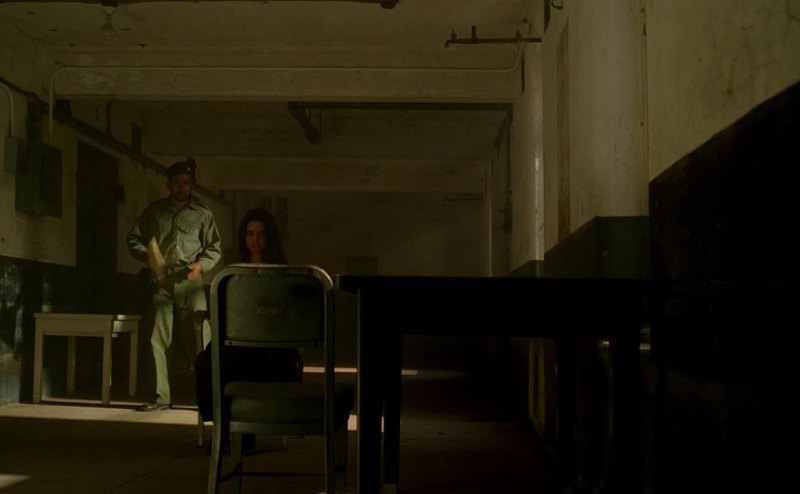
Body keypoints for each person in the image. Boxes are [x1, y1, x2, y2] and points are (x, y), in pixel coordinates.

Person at [195, 208, 302, 450]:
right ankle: (223, 427)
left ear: (270, 237)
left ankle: (243, 433)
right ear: (243, 237)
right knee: (207, 363)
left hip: (271, 345)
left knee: (238, 364)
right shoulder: (233, 271)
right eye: (250, 234)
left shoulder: (282, 270)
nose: (255, 240)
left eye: (261, 234)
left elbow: (287, 313)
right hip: (237, 339)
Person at [127, 158, 222, 412]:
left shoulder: (203, 214)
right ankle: (161, 397)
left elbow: (214, 248)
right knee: (158, 338)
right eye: (177, 182)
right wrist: (146, 256)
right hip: (161, 282)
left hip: (190, 283)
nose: (182, 187)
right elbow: (134, 238)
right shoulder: (154, 211)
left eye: (186, 182)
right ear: (168, 185)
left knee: (199, 339)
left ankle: (208, 397)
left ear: (192, 185)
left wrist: (200, 266)